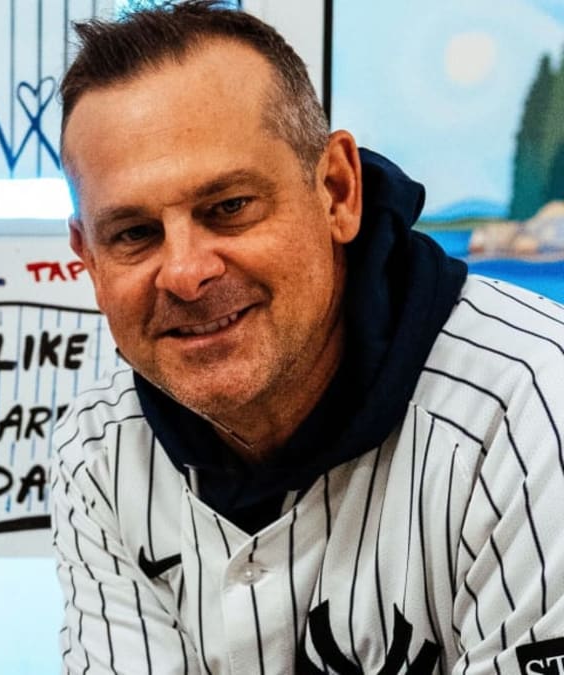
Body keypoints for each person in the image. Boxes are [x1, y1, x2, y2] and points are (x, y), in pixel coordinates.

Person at [51, 2, 564, 673]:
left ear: (337, 191)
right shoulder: (97, 448)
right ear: (88, 259)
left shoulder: (533, 413)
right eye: (134, 234)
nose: (184, 272)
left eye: (229, 207)